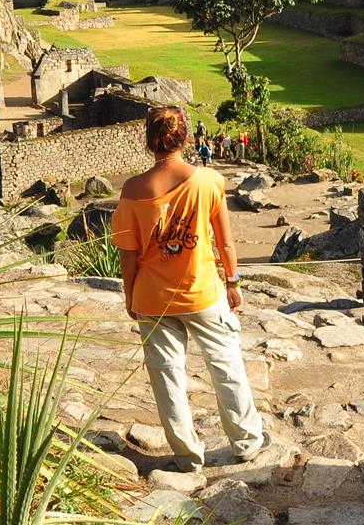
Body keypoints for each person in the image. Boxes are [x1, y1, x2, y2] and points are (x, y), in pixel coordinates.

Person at [113, 107, 266, 471]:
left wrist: (130, 296)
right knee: (226, 364)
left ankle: (187, 455)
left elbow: (129, 255)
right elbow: (225, 243)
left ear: (149, 140)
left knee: (166, 375)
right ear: (185, 139)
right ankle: (246, 441)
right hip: (202, 291)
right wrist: (233, 282)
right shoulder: (208, 180)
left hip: (152, 295)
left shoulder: (132, 191)